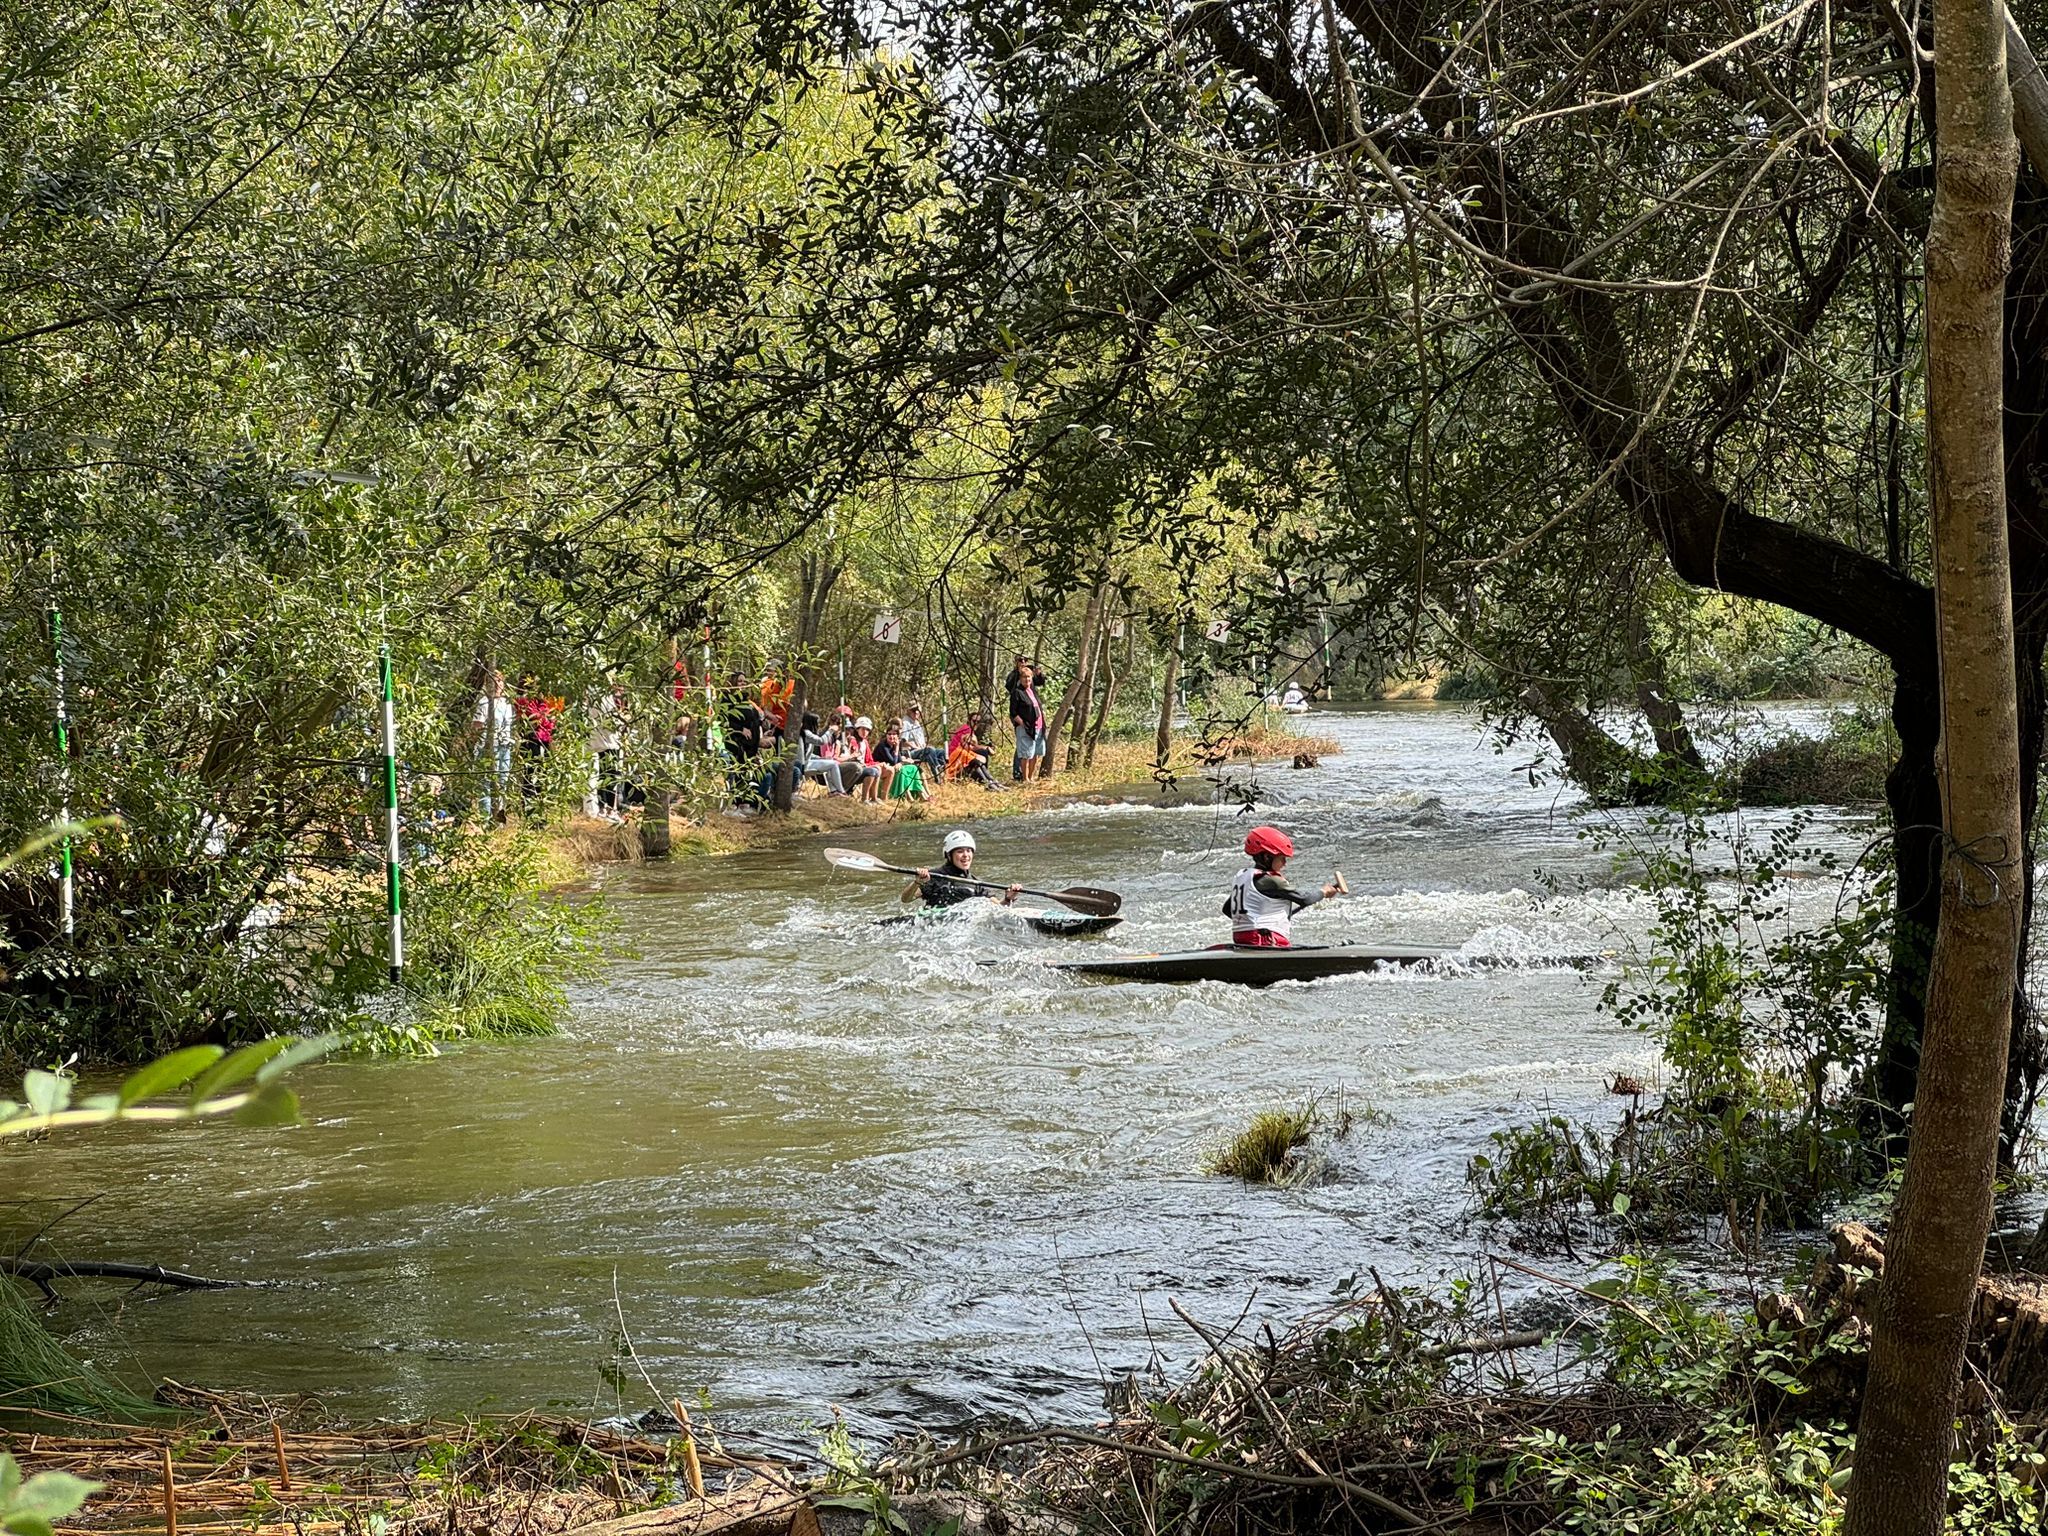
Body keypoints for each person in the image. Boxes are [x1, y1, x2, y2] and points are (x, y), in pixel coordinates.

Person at [1223, 826, 1343, 948]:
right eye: (1282, 858)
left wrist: (1253, 919)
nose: (1285, 863)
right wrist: (1324, 891)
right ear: (1267, 857)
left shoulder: (1243, 876)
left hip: (1242, 940)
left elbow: (1227, 909)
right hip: (1265, 940)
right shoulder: (1272, 881)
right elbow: (1305, 898)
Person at [911, 830, 1022, 908]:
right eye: (960, 851)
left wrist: (1008, 898)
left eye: (968, 851)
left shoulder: (976, 884)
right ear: (949, 855)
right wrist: (917, 882)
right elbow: (906, 899)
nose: (966, 855)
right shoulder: (934, 876)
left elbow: (997, 907)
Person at [472, 669, 515, 820]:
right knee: (486, 784)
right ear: (487, 684)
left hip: (505, 748)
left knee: (502, 783)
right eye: (493, 682)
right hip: (488, 747)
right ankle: (484, 819)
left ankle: (499, 819)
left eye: (500, 681)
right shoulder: (484, 702)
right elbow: (477, 726)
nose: (497, 685)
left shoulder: (507, 703)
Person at [1006, 656, 1045, 782]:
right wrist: (1021, 722)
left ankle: (1030, 777)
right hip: (1023, 722)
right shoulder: (1014, 677)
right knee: (1023, 751)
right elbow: (1009, 687)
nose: (1023, 663)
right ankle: (1020, 775)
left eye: (1025, 660)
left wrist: (1038, 674)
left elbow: (1040, 681)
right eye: (1020, 660)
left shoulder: (1030, 677)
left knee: (1034, 751)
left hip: (1037, 724)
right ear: (1016, 662)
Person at [946, 713, 1003, 790]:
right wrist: (986, 749)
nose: (976, 723)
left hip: (963, 762)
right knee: (977, 763)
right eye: (974, 721)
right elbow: (977, 760)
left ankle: (991, 782)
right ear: (969, 721)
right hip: (955, 773)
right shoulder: (967, 731)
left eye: (978, 722)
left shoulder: (968, 740)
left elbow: (982, 759)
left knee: (978, 762)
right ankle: (988, 783)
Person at [796, 711, 848, 794]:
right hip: (804, 765)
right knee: (833, 764)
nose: (818, 725)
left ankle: (834, 791)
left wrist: (819, 758)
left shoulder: (805, 733)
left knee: (830, 763)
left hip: (806, 761)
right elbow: (821, 741)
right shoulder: (806, 733)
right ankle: (841, 790)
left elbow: (806, 754)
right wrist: (830, 730)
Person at [897, 702, 949, 777]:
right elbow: (903, 741)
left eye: (918, 710)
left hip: (922, 749)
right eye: (914, 710)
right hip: (910, 751)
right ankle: (937, 769)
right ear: (909, 711)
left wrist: (924, 746)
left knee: (942, 752)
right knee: (929, 750)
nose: (916, 712)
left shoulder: (917, 723)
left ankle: (943, 773)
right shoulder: (905, 723)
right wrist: (915, 747)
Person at [844, 716, 884, 802]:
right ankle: (864, 799)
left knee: (877, 769)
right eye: (862, 729)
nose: (864, 732)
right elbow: (853, 759)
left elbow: (869, 759)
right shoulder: (853, 740)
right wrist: (871, 766)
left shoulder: (865, 742)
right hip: (854, 769)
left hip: (862, 766)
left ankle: (874, 798)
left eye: (867, 730)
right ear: (857, 729)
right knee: (872, 771)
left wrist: (876, 764)